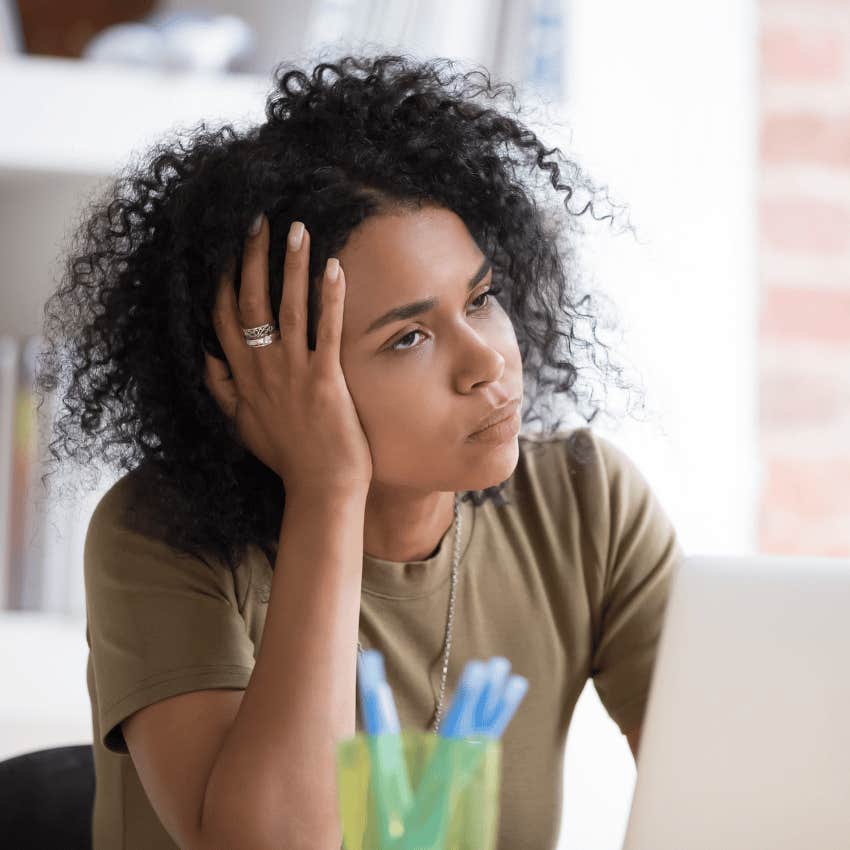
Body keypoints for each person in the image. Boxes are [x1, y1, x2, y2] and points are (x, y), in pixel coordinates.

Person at [36, 52, 684, 850]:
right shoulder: (160, 536)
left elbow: (743, 785)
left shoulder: (587, 503)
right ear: (266, 371)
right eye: (408, 337)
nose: (485, 360)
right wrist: (328, 488)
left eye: (480, 300)